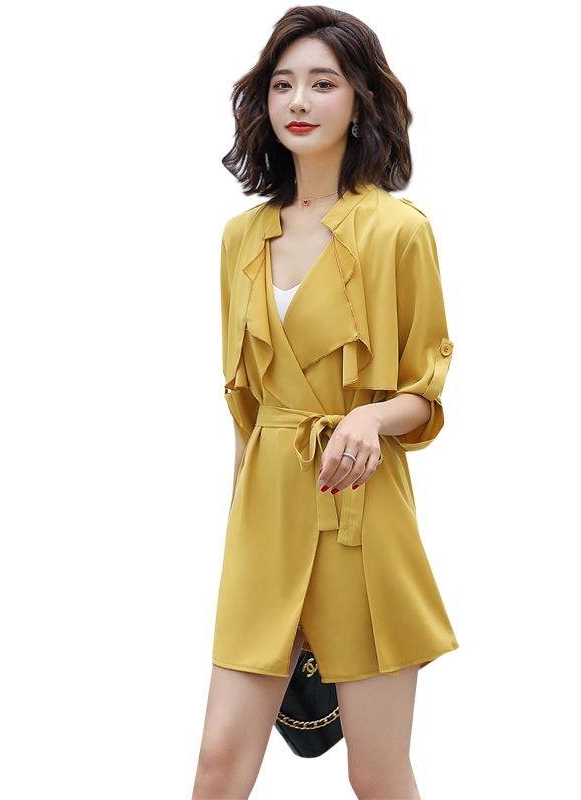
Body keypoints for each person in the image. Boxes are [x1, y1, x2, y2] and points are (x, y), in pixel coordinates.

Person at [193, 6, 459, 799]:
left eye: (323, 83)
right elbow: (243, 407)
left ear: (360, 99)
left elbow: (426, 389)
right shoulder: (240, 238)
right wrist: (240, 529)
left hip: (361, 519)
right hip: (266, 517)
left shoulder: (396, 231)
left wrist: (370, 416)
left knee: (375, 773)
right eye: (282, 85)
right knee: (218, 764)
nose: (299, 102)